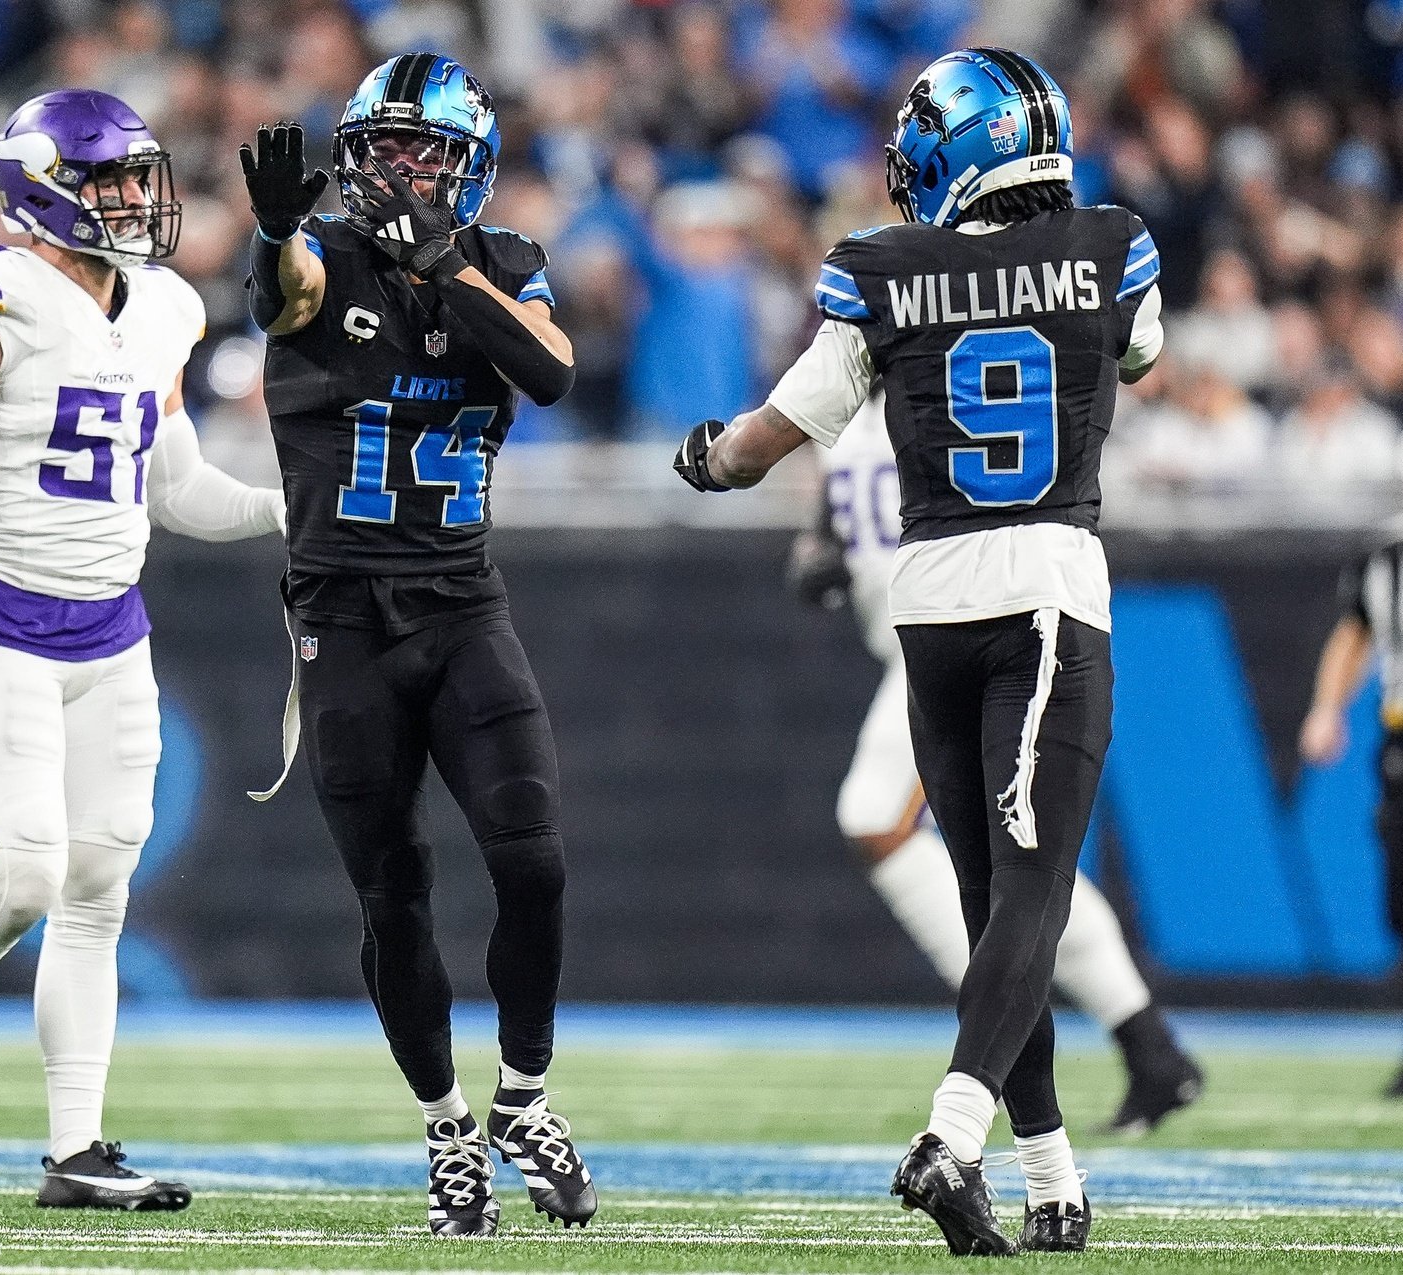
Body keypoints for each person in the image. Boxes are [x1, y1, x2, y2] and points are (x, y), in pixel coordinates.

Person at [675, 48, 1164, 1255]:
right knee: (1032, 898)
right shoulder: (1111, 246)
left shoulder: (877, 272)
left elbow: (760, 445)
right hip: (1046, 582)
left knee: (991, 902)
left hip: (926, 600)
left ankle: (1051, 1180)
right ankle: (950, 1139)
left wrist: (700, 455)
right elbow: (1140, 353)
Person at [0, 88, 286, 1211]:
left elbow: (176, 485)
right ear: (40, 188)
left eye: (141, 180)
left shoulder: (160, 310)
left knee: (99, 882)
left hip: (111, 630)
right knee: (19, 881)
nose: (139, 203)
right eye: (110, 182)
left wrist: (284, 509)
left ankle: (75, 1150)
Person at [240, 53, 592, 1237]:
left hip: (458, 607)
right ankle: (447, 1131)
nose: (398, 170)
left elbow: (546, 370)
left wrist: (440, 262)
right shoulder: (322, 262)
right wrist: (276, 234)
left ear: (468, 167)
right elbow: (279, 294)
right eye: (382, 148)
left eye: (423, 152)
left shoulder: (500, 264)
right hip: (341, 619)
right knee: (394, 897)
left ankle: (525, 1101)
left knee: (532, 859)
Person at [799, 393, 1203, 1134]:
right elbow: (823, 529)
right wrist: (818, 553)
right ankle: (1148, 1046)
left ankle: (999, 1015)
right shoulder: (843, 408)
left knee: (876, 815)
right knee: (1020, 858)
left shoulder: (942, 382)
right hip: (914, 650)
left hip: (968, 638)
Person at [1299, 529, 1403, 1097]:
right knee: (1400, 900)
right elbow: (1356, 633)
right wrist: (1326, 708)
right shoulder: (1384, 563)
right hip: (1400, 742)